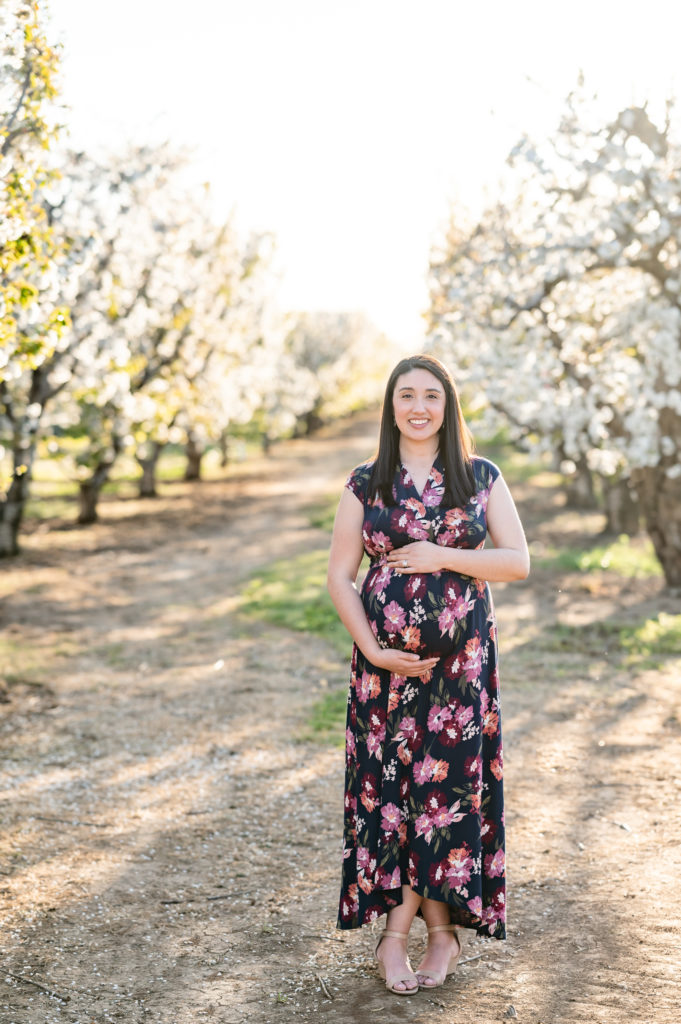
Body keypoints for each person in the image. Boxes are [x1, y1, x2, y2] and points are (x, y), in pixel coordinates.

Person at [326, 354, 530, 995]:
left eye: (432, 396)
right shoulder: (366, 482)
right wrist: (374, 650)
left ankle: (441, 936)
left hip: (461, 673)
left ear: (448, 406)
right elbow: (339, 577)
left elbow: (518, 562)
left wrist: (444, 554)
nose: (419, 407)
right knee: (393, 800)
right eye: (406, 395)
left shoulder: (480, 476)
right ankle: (396, 938)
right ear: (391, 406)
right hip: (383, 673)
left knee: (444, 800)